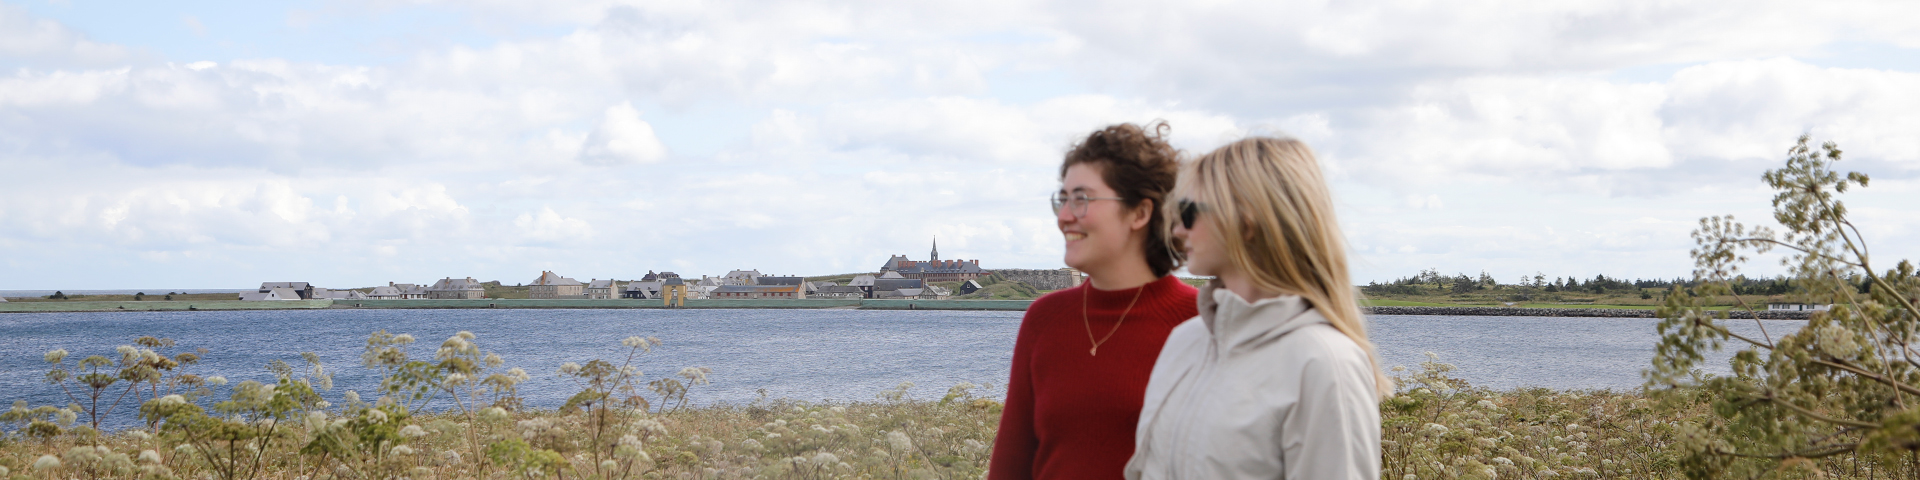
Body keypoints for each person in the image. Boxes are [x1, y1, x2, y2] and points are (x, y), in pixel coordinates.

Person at [1125, 137, 1390, 480]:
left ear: (1246, 221)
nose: (1176, 230)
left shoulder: (1324, 363)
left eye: (1188, 213)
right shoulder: (1185, 341)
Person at [988, 123, 1200, 480]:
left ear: (1140, 213)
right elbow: (1010, 465)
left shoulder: (1199, 321)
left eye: (1082, 199)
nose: (1064, 216)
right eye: (1063, 199)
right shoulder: (1044, 318)